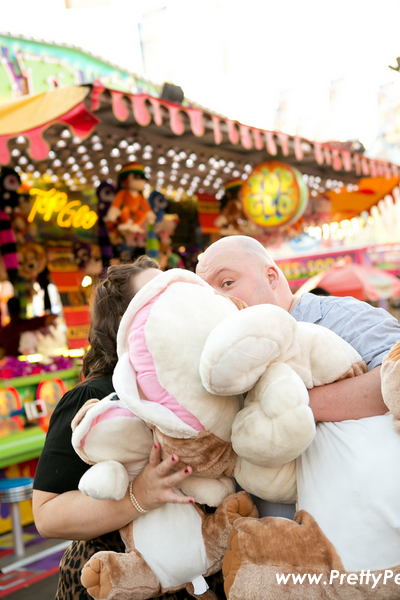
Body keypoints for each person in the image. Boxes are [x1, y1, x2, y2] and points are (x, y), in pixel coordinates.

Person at [33, 257, 225, 600]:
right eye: (155, 296)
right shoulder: (93, 397)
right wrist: (139, 494)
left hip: (202, 574)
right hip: (113, 580)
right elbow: (47, 515)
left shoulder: (203, 385)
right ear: (125, 322)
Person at [196, 235, 400, 521]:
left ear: (270, 277)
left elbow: (394, 378)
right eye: (207, 295)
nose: (218, 300)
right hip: (282, 544)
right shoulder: (223, 363)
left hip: (369, 530)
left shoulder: (338, 316)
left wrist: (289, 406)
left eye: (227, 283)